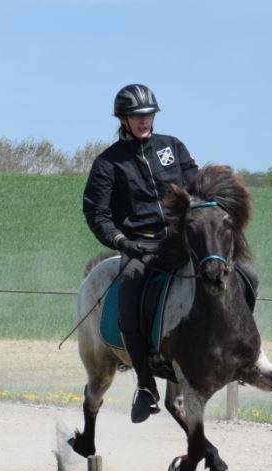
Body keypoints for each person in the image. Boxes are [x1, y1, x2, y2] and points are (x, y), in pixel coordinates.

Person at [82, 83, 199, 423]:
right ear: (123, 119)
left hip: (180, 240)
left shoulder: (172, 147)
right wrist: (120, 242)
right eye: (136, 116)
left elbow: (197, 185)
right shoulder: (108, 163)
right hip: (139, 246)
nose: (144, 121)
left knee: (233, 273)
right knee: (129, 294)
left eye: (148, 115)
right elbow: (97, 214)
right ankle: (146, 385)